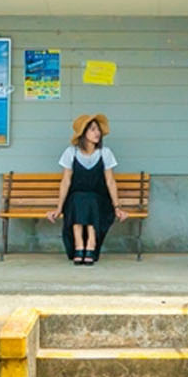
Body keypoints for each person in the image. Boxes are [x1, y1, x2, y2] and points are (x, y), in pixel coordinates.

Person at [46, 113, 130, 265]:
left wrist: (117, 207)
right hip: (74, 200)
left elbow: (110, 181)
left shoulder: (105, 153)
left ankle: (90, 244)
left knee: (89, 199)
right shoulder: (71, 152)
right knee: (78, 198)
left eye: (98, 130)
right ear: (83, 134)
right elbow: (65, 181)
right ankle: (80, 245)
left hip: (99, 200)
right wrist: (58, 208)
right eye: (92, 129)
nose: (97, 133)